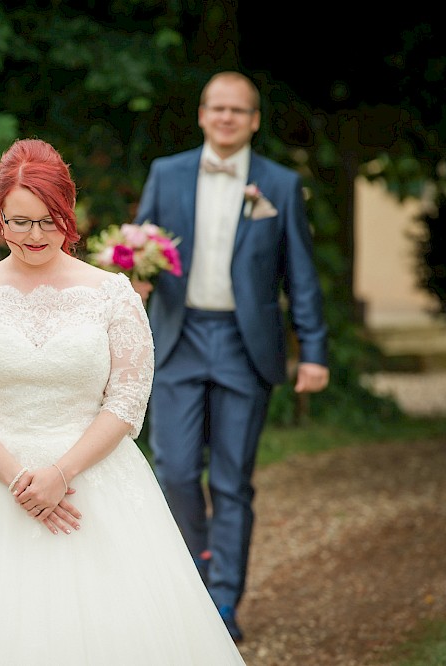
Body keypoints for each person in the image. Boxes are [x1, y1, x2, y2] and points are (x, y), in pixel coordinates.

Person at [0, 138, 245, 664]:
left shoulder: (113, 295)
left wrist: (61, 474)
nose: (35, 235)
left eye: (49, 220)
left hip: (94, 478)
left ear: (69, 215)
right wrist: (21, 482)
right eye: (20, 222)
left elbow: (128, 402)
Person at [133, 71, 330, 643]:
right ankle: (189, 586)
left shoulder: (281, 185)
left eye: (237, 110)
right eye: (216, 108)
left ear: (254, 120)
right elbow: (137, 251)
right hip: (177, 338)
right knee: (172, 470)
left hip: (247, 347)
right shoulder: (166, 174)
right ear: (201, 114)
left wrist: (312, 351)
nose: (225, 118)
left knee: (232, 480)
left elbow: (302, 275)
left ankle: (223, 602)